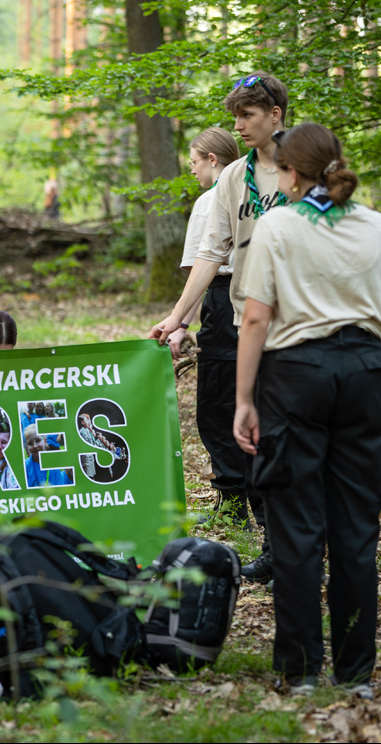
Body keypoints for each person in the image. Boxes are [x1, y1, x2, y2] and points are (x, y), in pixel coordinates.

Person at [233, 123, 381, 697]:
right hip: (362, 372)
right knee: (355, 528)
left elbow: (256, 318)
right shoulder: (379, 227)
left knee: (296, 525)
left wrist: (244, 399)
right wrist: (363, 369)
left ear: (291, 174)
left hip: (295, 376)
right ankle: (356, 674)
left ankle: (300, 669)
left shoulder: (278, 225)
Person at [148, 72, 291, 583]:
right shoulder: (233, 178)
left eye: (247, 116)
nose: (239, 127)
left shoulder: (309, 165)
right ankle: (276, 547)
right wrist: (177, 317)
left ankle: (306, 546)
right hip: (244, 323)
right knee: (257, 435)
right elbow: (211, 253)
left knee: (292, 438)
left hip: (300, 326)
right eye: (236, 118)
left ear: (275, 114)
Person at [164, 128, 249, 526]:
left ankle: (233, 504)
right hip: (263, 304)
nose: (193, 170)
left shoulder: (209, 201)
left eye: (195, 162)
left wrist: (179, 321)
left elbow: (204, 269)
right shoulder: (260, 192)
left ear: (213, 160)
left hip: (223, 305)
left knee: (216, 406)